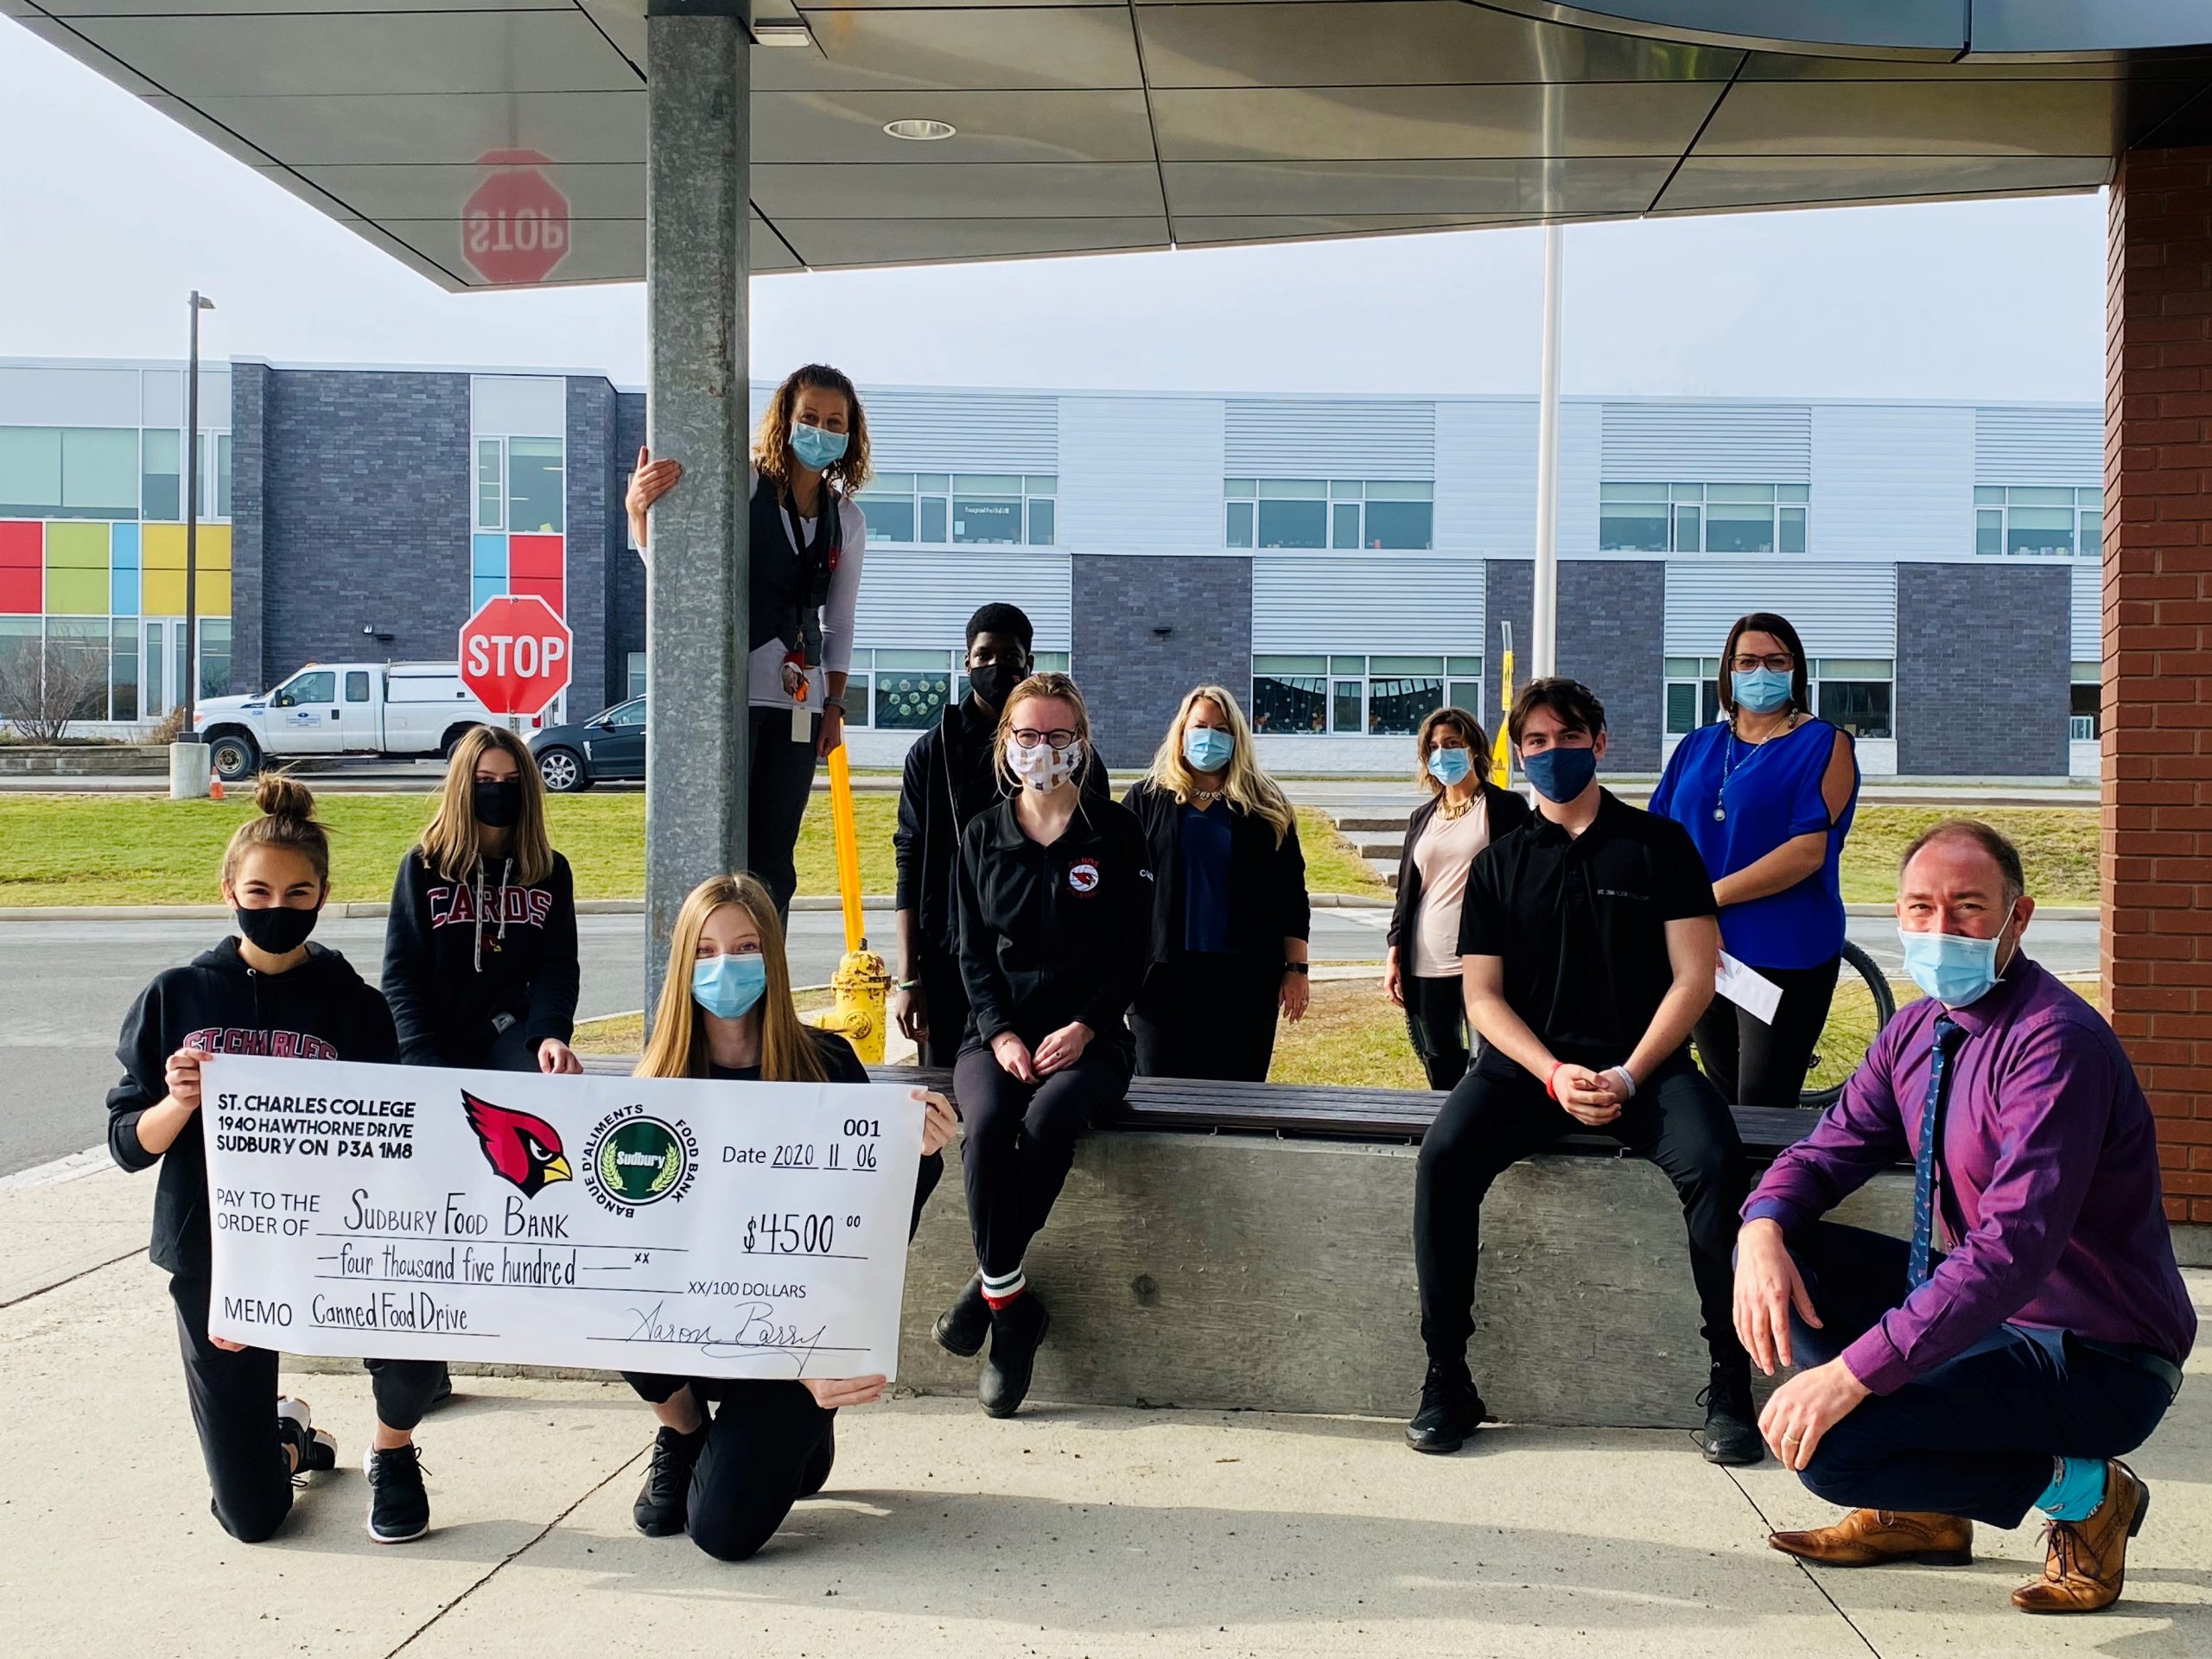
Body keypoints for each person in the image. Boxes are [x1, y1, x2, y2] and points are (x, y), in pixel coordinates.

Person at [1735, 820, 2194, 1616]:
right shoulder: (1916, 1029)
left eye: (1968, 909)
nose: (1939, 930)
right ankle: (1924, 1509)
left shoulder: (2057, 1046)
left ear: (2018, 918)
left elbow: (2011, 1250)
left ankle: (2088, 1493)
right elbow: (1828, 1149)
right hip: (1984, 1317)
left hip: (2091, 1353)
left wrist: (1849, 1376)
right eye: (1920, 908)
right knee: (1784, 1252)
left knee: (1832, 1450)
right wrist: (1761, 1227)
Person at [1406, 677, 1761, 1465]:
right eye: (1534, 742)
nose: (1552, 754)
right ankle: (1447, 1375)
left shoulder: (1660, 846)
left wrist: (1630, 1075)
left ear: (1600, 743)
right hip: (1528, 1072)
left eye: (1569, 738)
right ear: (1517, 754)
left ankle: (1730, 1383)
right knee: (1443, 1161)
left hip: (1648, 1069)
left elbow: (1694, 978)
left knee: (1714, 1162)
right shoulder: (1500, 863)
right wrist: (1553, 1073)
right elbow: (1483, 998)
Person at [105, 775, 448, 1546]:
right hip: (214, 1256)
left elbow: (391, 1140)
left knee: (422, 1342)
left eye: (298, 893)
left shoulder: (353, 1004)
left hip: (335, 1240)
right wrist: (177, 1104)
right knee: (254, 1520)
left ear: (323, 895)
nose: (278, 907)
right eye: (260, 889)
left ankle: (389, 1451)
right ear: (229, 888)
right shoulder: (179, 994)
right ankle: (288, 1438)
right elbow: (128, 1144)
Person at [622, 873, 957, 1560]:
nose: (726, 968)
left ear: (771, 956)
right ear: (683, 963)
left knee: (721, 1534)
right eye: (707, 951)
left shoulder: (826, 1065)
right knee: (620, 1303)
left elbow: (870, 1230)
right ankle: (684, 1431)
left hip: (797, 1341)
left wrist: (916, 1157)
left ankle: (798, 1427)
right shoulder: (657, 1083)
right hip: (694, 1330)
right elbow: (632, 1251)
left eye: (745, 947)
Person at [938, 672, 1150, 1417]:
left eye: (1058, 736)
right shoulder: (979, 834)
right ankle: (1012, 1307)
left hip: (1091, 1042)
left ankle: (992, 1285)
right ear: (1006, 743)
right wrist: (998, 1035)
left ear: (1081, 744)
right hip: (992, 1038)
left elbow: (1133, 955)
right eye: (1027, 735)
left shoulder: (1116, 834)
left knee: (1048, 1121)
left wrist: (1086, 1025)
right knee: (990, 1125)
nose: (1042, 749)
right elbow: (968, 954)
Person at [626, 363, 870, 918]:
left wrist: (834, 707)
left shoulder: (847, 520)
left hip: (799, 706)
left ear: (850, 435)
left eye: (835, 422)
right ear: (784, 420)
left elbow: (841, 622)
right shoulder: (746, 485)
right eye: (809, 417)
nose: (821, 430)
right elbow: (678, 579)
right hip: (728, 700)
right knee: (717, 853)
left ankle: (770, 985)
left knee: (773, 860)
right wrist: (638, 513)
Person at [1650, 613, 1859, 1106]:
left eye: (1775, 660)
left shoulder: (1825, 744)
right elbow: (1660, 836)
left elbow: (1807, 852)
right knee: (1720, 1097)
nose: (1759, 672)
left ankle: (1774, 1186)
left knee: (1763, 1102)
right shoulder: (1698, 746)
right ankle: (1730, 1187)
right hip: (1703, 947)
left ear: (1795, 670)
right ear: (1728, 669)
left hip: (1783, 950)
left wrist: (1705, 901)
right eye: (1747, 661)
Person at [892, 604, 1108, 1068]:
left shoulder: (1075, 757)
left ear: (1029, 663)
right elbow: (909, 861)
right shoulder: (932, 754)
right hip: (951, 961)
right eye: (984, 656)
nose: (996, 668)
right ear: (967, 661)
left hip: (1052, 967)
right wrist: (909, 978)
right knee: (949, 1104)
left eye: (1010, 657)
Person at [1123, 684, 1311, 1081]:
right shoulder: (1146, 801)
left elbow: (1291, 896)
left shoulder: (1266, 807)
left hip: (1243, 983)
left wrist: (1296, 970)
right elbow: (1118, 894)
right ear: (1181, 733)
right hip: (1160, 980)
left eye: (1222, 728)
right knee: (1160, 1095)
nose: (1210, 736)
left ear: (1237, 738)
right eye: (1201, 726)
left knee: (1236, 1100)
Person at [382, 723, 582, 1075]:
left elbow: (558, 967)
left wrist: (551, 1035)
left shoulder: (550, 870)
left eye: (512, 780)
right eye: (485, 780)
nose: (498, 791)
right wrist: (416, 1052)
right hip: (434, 1036)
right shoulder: (424, 866)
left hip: (510, 1033)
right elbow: (402, 972)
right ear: (463, 786)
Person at [1385, 708, 1532, 1090]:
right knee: (1439, 1059)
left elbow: (1525, 883)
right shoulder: (1423, 817)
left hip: (1485, 959)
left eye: (1452, 744)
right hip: (1426, 960)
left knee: (1491, 1061)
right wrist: (1394, 950)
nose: (1442, 753)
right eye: (1433, 747)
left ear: (1473, 749)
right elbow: (1408, 890)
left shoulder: (1505, 808)